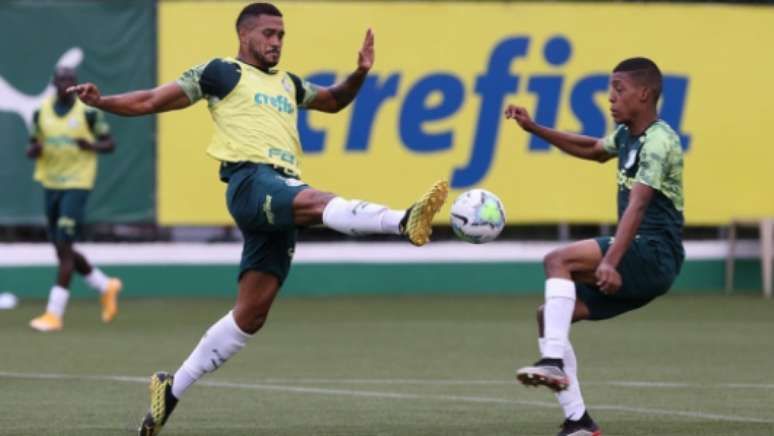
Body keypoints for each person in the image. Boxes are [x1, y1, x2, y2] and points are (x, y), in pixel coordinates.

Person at [68, 3, 447, 435]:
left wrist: (360, 73)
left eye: (281, 35)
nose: (276, 42)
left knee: (250, 316)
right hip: (251, 182)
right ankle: (402, 221)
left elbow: (335, 101)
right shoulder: (221, 72)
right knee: (315, 200)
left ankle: (170, 388)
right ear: (245, 34)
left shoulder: (288, 83)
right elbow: (153, 100)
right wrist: (103, 102)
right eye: (268, 33)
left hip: (280, 190)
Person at [505, 57, 684, 436]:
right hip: (638, 257)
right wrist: (534, 127)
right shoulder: (627, 136)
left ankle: (552, 361)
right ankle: (579, 422)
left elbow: (638, 204)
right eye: (611, 90)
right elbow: (592, 148)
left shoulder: (659, 141)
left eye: (619, 90)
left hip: (652, 253)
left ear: (644, 94)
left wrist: (611, 261)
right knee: (548, 316)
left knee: (557, 260)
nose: (611, 99)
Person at [26, 66, 123, 333]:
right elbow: (31, 145)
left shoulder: (88, 112)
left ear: (76, 84)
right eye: (61, 79)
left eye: (71, 80)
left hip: (77, 184)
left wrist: (91, 145)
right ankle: (105, 285)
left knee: (65, 247)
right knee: (60, 248)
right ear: (54, 83)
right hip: (50, 183)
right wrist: (33, 150)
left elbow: (109, 143)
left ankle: (54, 314)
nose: (66, 84)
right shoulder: (41, 111)